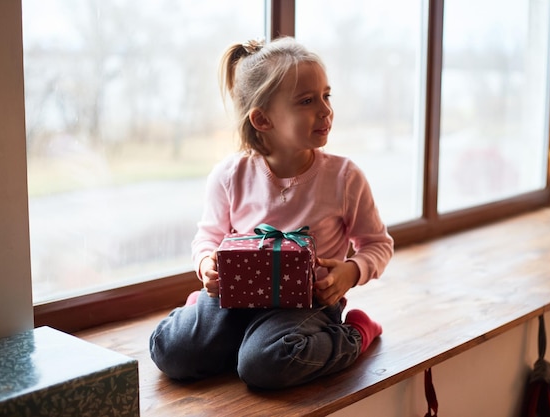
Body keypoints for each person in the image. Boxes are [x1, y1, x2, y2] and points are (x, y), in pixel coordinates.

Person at [149, 36, 394, 389]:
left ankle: (355, 331)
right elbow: (208, 237)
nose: (325, 110)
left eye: (326, 96)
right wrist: (206, 266)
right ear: (263, 119)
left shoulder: (344, 177)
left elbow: (377, 244)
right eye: (307, 101)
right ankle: (223, 331)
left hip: (306, 304)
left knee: (265, 366)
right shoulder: (230, 175)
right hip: (235, 296)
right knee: (171, 352)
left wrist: (348, 273)